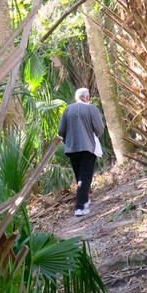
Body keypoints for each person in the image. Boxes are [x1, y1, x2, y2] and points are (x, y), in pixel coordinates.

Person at [57, 87, 104, 216]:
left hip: (71, 148)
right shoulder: (92, 109)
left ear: (76, 98)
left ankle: (85, 200)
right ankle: (79, 207)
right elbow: (99, 129)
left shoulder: (68, 109)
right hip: (87, 147)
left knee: (79, 176)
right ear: (87, 98)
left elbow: (61, 130)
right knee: (85, 176)